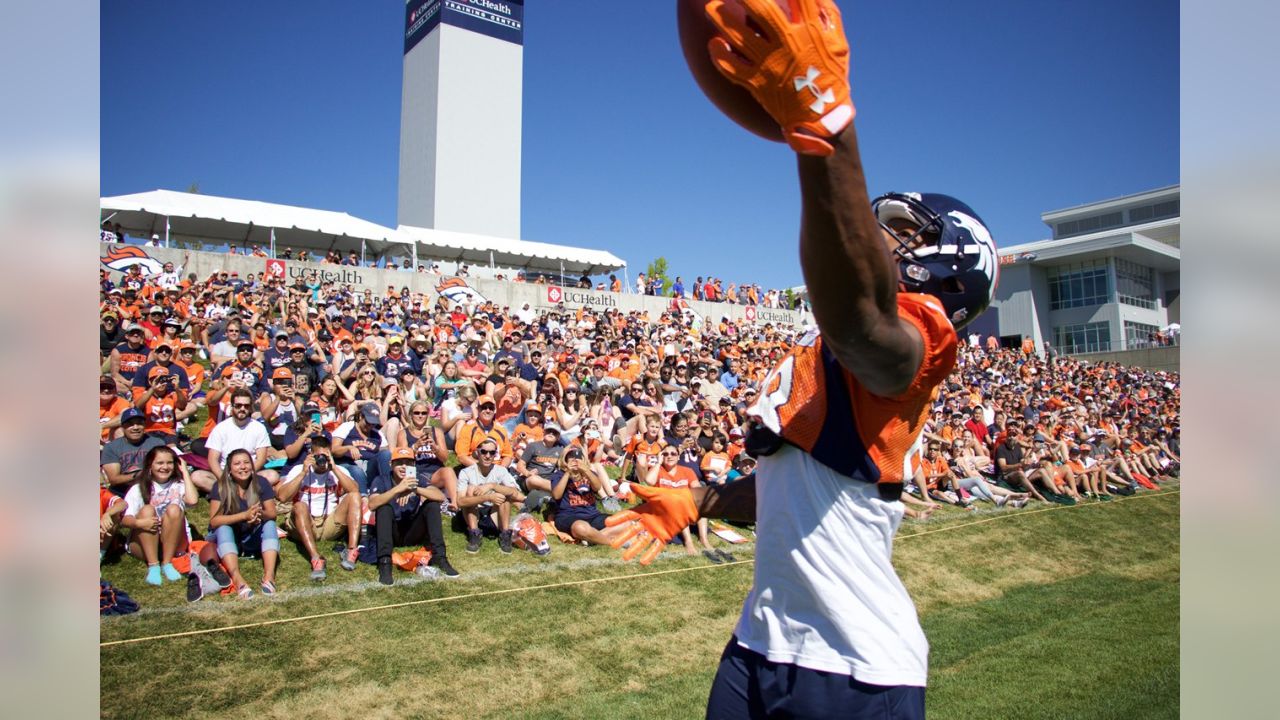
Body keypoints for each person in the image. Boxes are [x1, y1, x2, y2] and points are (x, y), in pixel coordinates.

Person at [606, 3, 999, 715]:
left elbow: (862, 325)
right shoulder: (846, 348)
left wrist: (828, 128)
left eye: (904, 236)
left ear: (953, 270)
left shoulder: (913, 345)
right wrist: (701, 500)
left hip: (853, 670)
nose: (884, 242)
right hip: (759, 647)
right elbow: (796, 493)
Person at [367, 448, 459, 585]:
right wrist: (398, 489)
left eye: (408, 463)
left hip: (412, 530)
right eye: (399, 463)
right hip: (391, 531)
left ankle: (440, 556)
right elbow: (372, 504)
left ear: (414, 466)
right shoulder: (381, 480)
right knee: (384, 508)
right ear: (391, 465)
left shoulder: (416, 479)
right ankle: (384, 561)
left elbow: (440, 496)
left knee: (432, 505)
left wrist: (414, 489)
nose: (404, 466)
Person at [276, 436, 361, 580]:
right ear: (311, 455)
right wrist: (303, 472)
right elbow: (282, 497)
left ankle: (351, 550)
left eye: (326, 456)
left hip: (329, 522)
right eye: (319, 456)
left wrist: (334, 468)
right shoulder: (299, 469)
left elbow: (354, 490)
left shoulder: (337, 470)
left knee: (355, 497)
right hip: (303, 522)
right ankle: (316, 558)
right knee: (300, 506)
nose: (322, 461)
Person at [120, 446, 199, 586]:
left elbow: (193, 501)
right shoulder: (139, 488)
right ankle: (153, 565)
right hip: (146, 543)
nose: (165, 467)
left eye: (169, 463)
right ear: (150, 465)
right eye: (160, 463)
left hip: (174, 542)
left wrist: (185, 472)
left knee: (174, 509)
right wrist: (140, 524)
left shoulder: (179, 485)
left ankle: (167, 563)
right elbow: (125, 519)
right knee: (147, 510)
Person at [206, 448, 280, 598]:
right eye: (237, 464)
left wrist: (258, 513)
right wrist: (244, 515)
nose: (243, 467)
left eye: (247, 462)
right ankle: (237, 578)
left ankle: (269, 576)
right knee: (223, 527)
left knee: (270, 524)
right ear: (229, 468)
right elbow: (214, 521)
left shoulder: (261, 482)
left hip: (251, 535)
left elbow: (272, 514)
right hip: (228, 537)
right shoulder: (220, 486)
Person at [455, 438, 525, 554]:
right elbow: (460, 502)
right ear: (477, 452)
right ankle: (474, 533)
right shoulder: (466, 472)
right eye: (484, 452)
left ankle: (505, 534)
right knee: (471, 489)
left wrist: (492, 486)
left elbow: (515, 493)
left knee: (505, 493)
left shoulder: (501, 470)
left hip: (493, 514)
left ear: (495, 455)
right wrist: (487, 498)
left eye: (492, 453)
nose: (488, 456)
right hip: (472, 514)